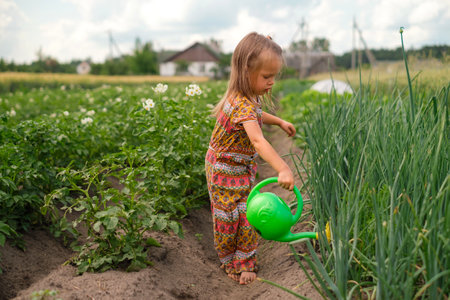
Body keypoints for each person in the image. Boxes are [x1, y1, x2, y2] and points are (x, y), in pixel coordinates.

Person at [205, 32, 296, 285]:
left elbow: (257, 114)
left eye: (274, 76)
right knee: (227, 217)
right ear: (246, 72)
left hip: (240, 168)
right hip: (222, 170)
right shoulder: (241, 103)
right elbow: (257, 140)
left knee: (247, 214)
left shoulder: (249, 100)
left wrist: (278, 121)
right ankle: (228, 259)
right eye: (267, 77)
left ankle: (245, 260)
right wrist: (282, 168)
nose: (272, 83)